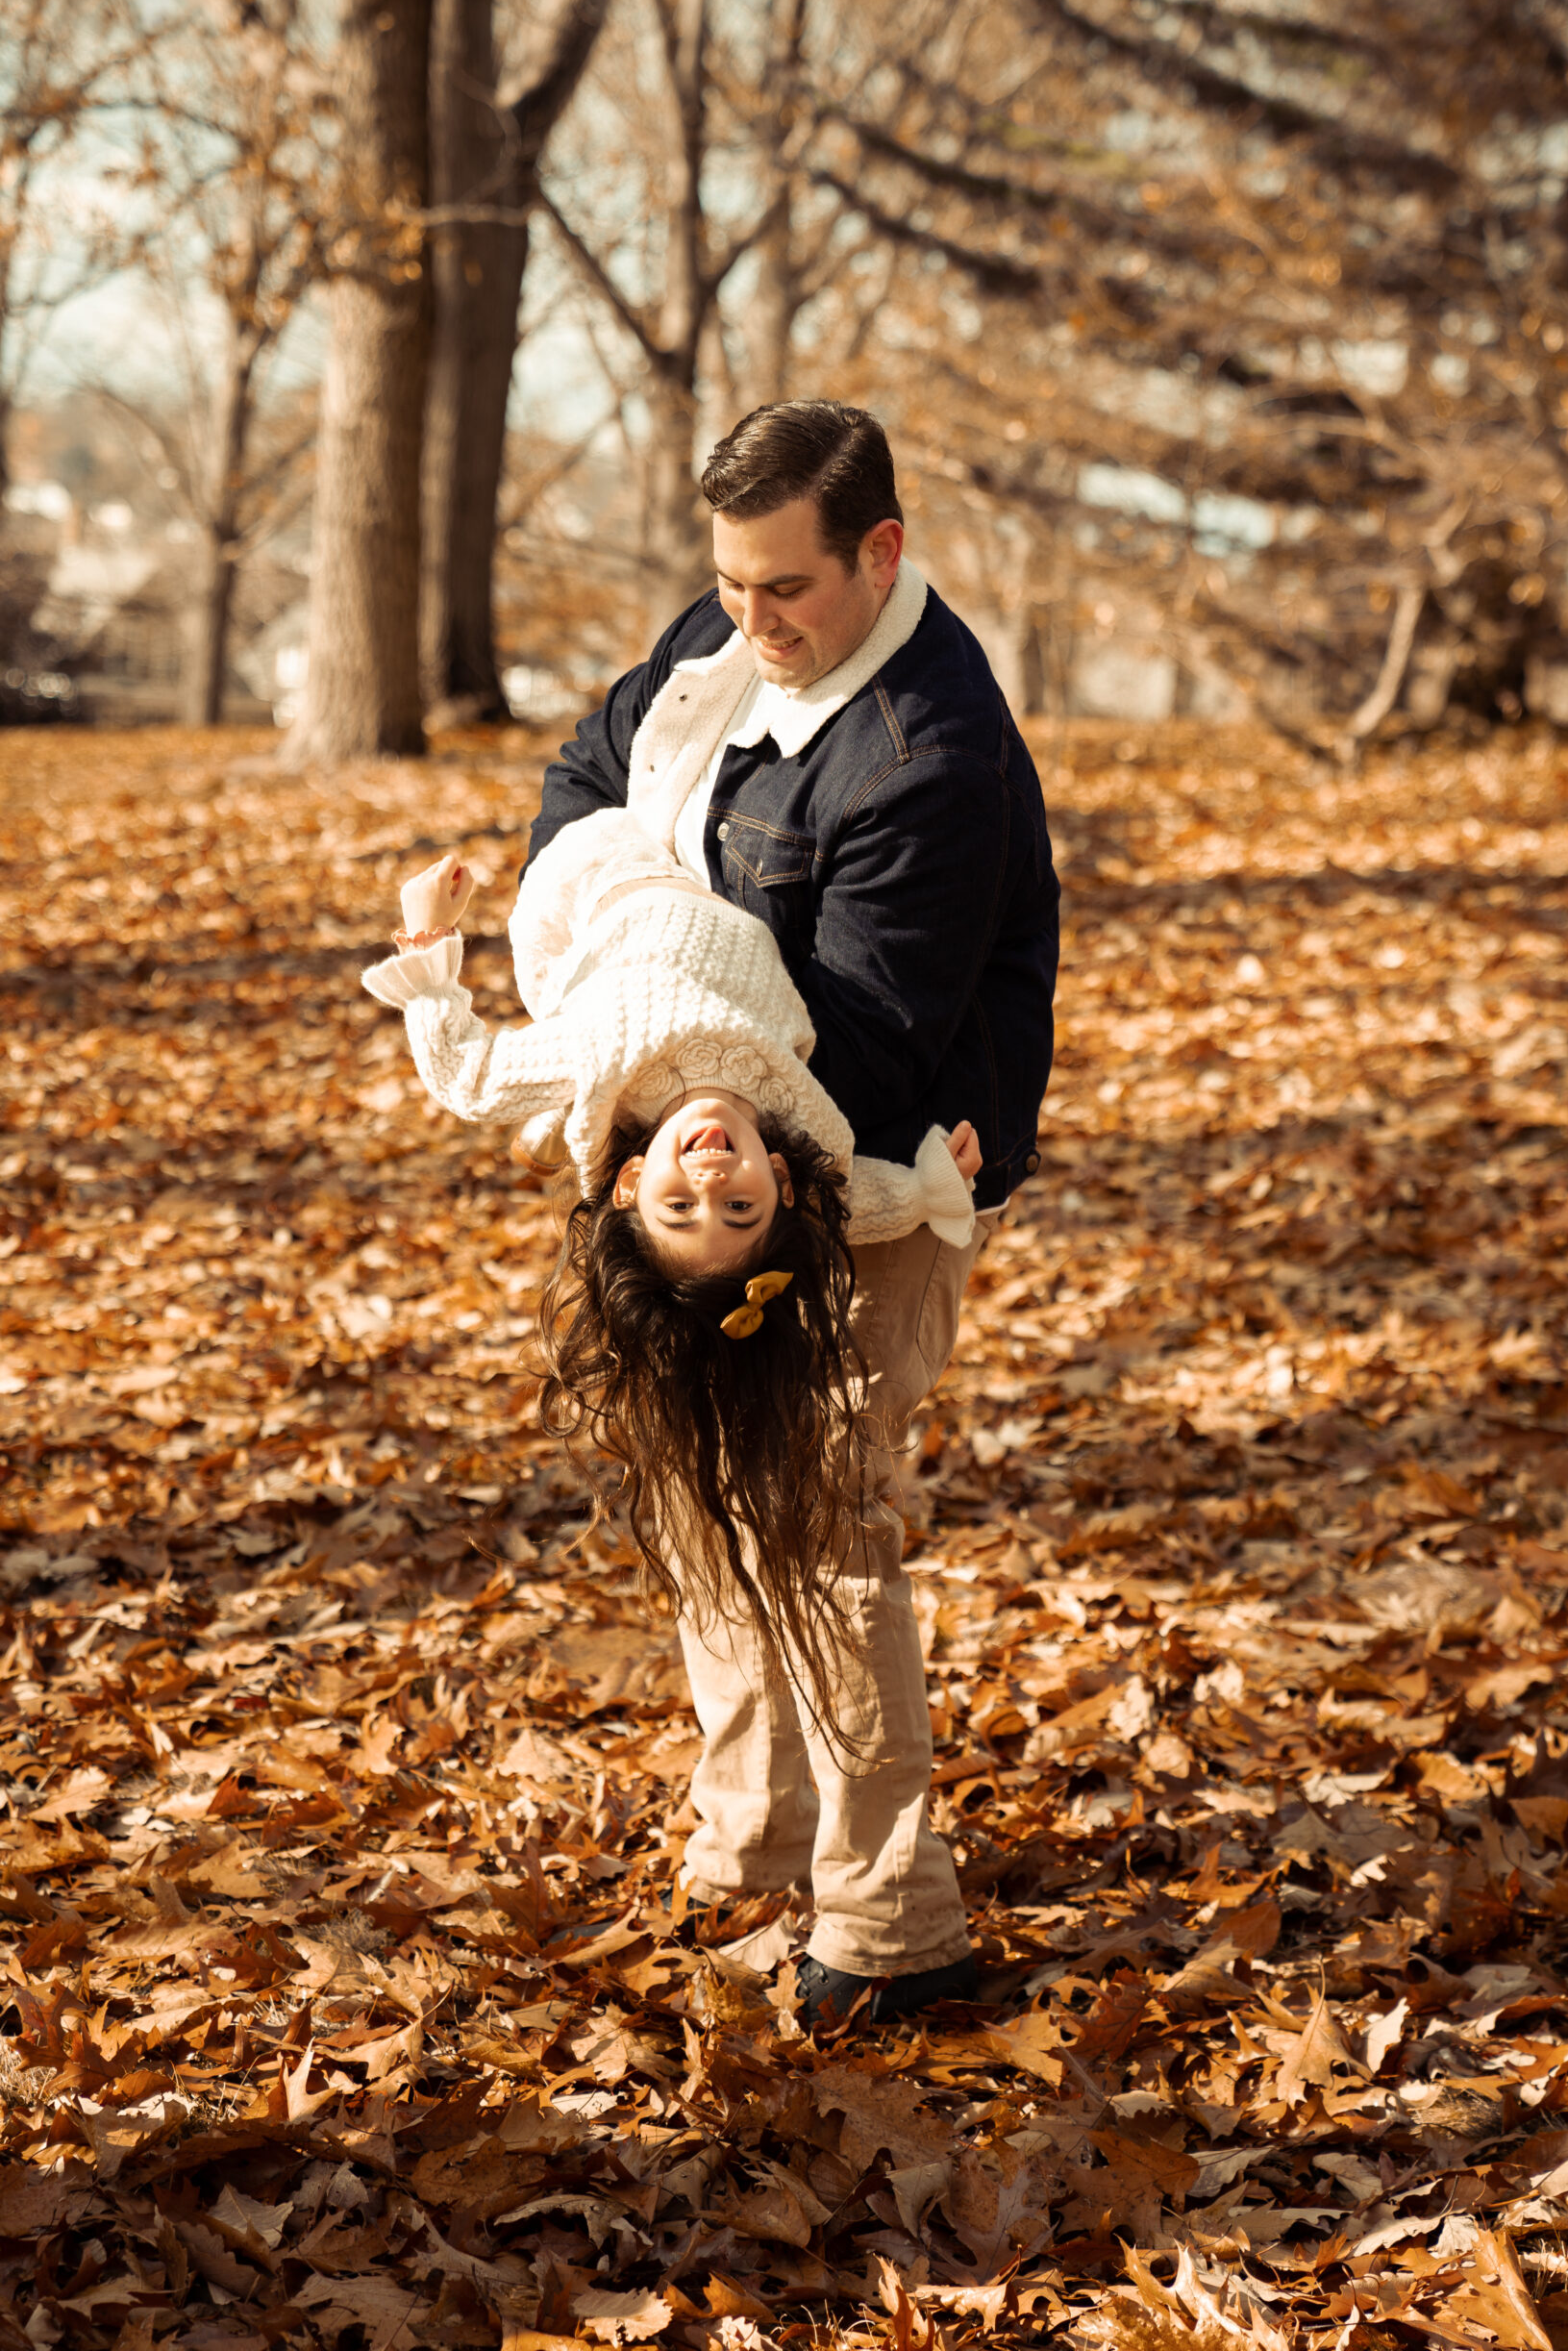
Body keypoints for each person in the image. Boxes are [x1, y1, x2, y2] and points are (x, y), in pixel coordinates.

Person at [518, 399, 1059, 2026]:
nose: (748, 622)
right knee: (701, 1503)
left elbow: (862, 1051)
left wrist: (663, 1041)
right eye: (731, 584)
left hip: (858, 1185)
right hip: (692, 1145)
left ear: (879, 553)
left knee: (822, 1537)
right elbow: (587, 770)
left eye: (785, 594)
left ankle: (897, 1930)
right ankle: (754, 1840)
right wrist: (598, 918)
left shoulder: (929, 760)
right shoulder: (725, 628)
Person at [361, 817, 984, 1749]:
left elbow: (469, 1076)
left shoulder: (606, 1055)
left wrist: (428, 939)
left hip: (585, 908)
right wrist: (936, 1187)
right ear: (778, 1183)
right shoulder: (808, 1129)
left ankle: (559, 1128)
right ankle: (556, 1130)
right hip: (710, 879)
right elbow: (856, 1205)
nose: (710, 1187)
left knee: (549, 1042)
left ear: (627, 1186)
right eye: (740, 1212)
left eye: (678, 1209)